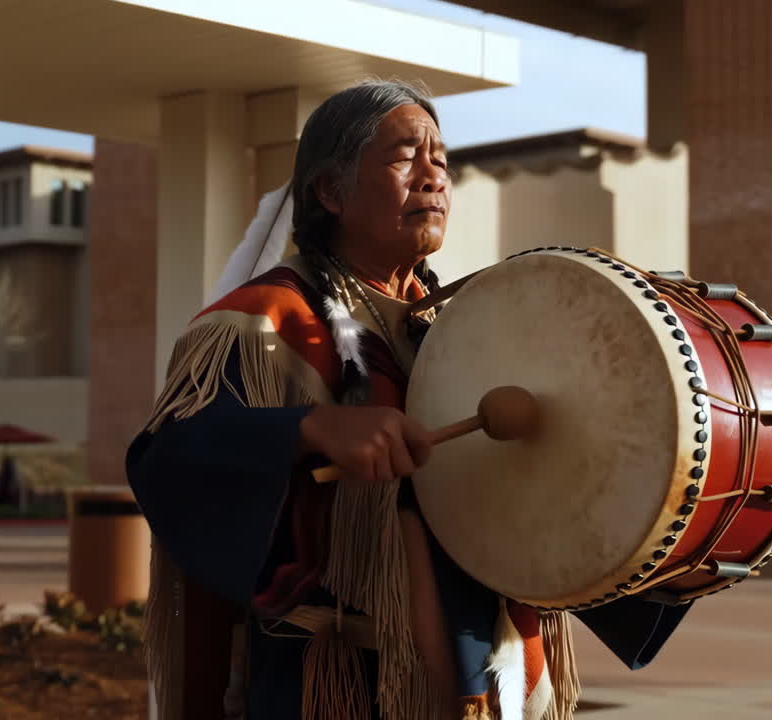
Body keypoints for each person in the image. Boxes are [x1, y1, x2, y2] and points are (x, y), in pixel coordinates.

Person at [126, 80, 689, 720]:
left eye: (441, 161)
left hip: (496, 673)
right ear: (330, 191)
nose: (432, 177)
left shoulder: (474, 327)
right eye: (403, 158)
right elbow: (167, 459)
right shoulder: (264, 323)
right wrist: (308, 428)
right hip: (333, 685)